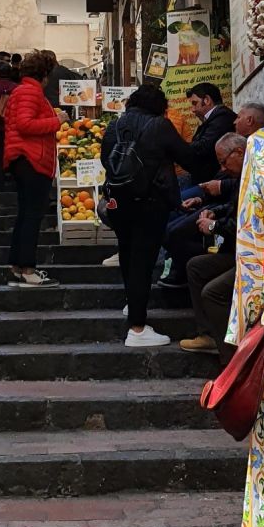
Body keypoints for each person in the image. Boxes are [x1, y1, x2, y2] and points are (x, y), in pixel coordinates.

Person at [101, 84, 188, 347]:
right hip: (149, 203)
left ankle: (133, 305)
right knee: (143, 262)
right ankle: (137, 329)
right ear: (159, 105)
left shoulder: (114, 126)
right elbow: (186, 155)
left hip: (118, 202)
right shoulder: (159, 126)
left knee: (128, 255)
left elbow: (107, 160)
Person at [3, 50, 64, 286]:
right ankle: (28, 268)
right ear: (45, 74)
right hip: (31, 158)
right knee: (32, 214)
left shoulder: (23, 90)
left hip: (24, 158)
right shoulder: (30, 91)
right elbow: (25, 124)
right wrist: (57, 121)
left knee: (26, 213)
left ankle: (18, 265)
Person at [166, 131, 246, 298]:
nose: (223, 168)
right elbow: (231, 207)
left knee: (211, 292)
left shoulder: (252, 178)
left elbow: (243, 223)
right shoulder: (240, 176)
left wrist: (214, 226)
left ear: (239, 152)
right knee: (193, 263)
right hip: (231, 244)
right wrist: (212, 212)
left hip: (245, 254)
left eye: (224, 162)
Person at [177, 81, 238, 182]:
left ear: (207, 100)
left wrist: (177, 145)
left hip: (215, 181)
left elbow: (203, 147)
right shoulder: (212, 119)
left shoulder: (222, 117)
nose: (192, 110)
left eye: (195, 103)